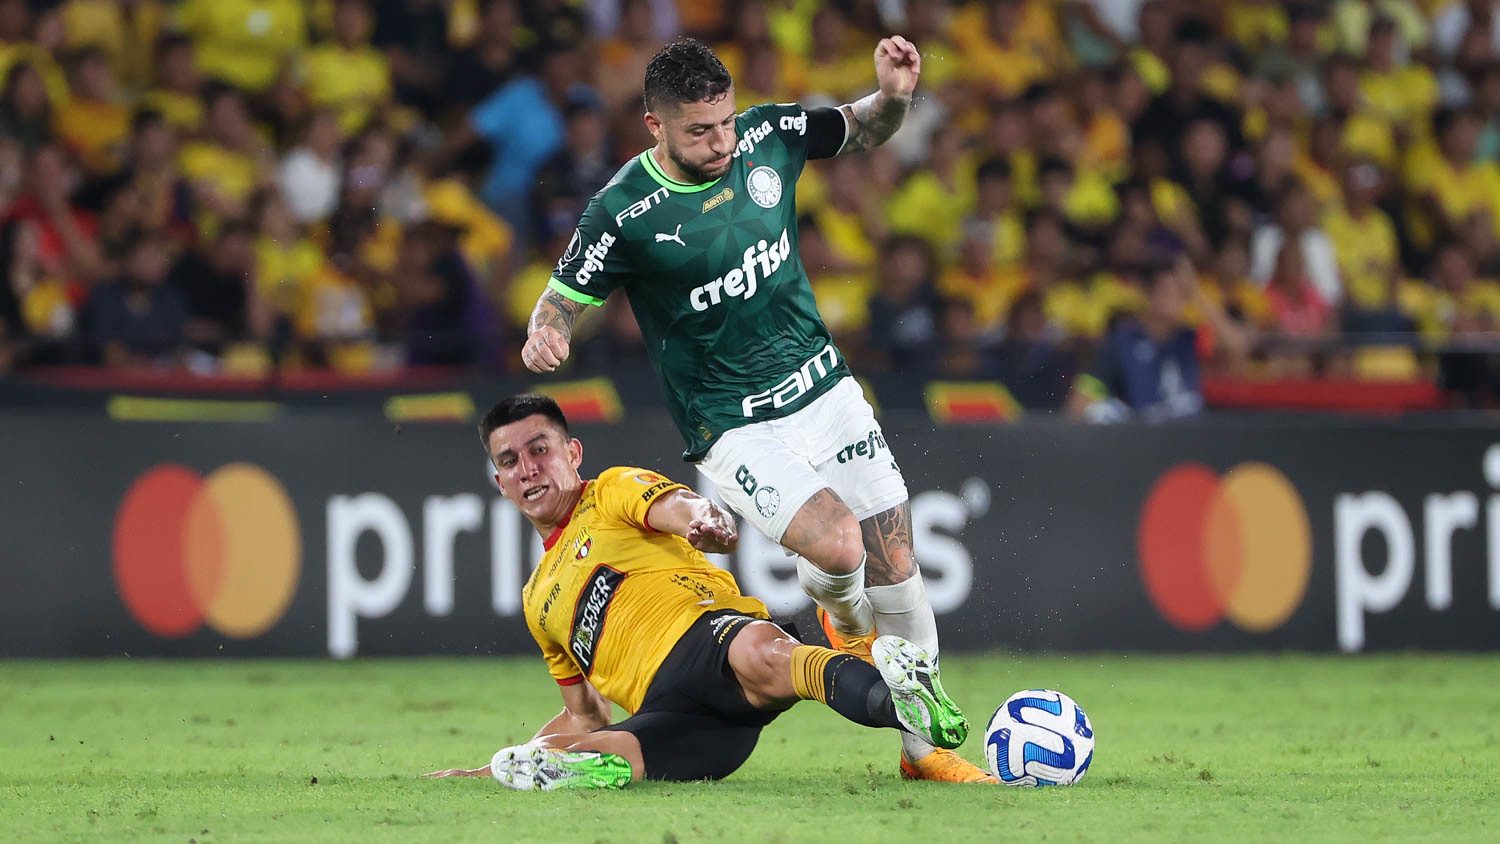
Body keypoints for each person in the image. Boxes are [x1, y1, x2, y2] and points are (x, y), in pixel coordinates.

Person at [520, 37, 993, 783]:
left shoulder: (768, 135)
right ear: (655, 126)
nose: (720, 143)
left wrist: (894, 97)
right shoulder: (623, 211)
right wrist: (546, 331)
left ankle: (922, 752)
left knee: (897, 562)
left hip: (824, 388)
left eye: (725, 123)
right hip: (731, 424)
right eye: (698, 131)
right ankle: (844, 622)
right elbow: (560, 297)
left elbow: (862, 127)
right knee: (839, 548)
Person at [424, 395, 970, 790]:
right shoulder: (536, 601)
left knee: (767, 655)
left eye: (539, 449)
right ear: (500, 483)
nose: (527, 470)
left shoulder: (609, 491)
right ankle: (563, 766)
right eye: (509, 462)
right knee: (595, 748)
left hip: (708, 636)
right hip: (673, 714)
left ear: (573, 452)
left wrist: (701, 518)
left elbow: (678, 506)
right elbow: (585, 714)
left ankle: (912, 709)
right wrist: (494, 765)